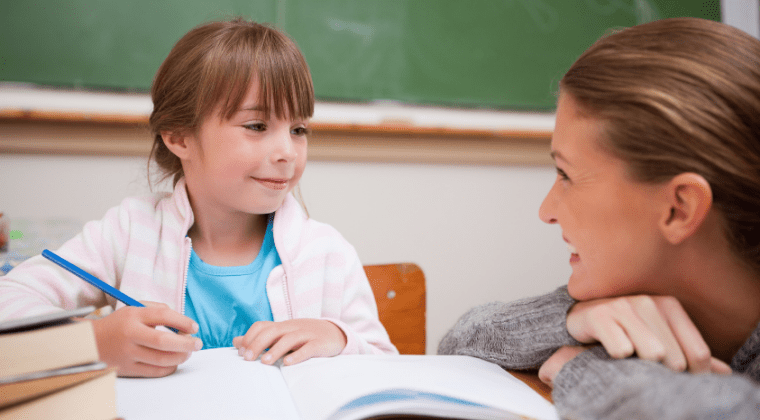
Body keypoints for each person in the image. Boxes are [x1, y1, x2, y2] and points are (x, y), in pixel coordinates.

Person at [0, 18, 397, 378]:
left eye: (298, 129)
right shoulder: (129, 231)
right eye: (257, 125)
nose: (288, 152)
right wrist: (91, 343)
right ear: (179, 137)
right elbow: (10, 301)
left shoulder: (326, 252)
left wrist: (337, 337)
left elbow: (386, 364)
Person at [439, 17, 760, 419]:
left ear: (679, 209)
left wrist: (581, 367)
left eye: (566, 175)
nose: (546, 211)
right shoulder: (638, 293)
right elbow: (462, 342)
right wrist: (571, 320)